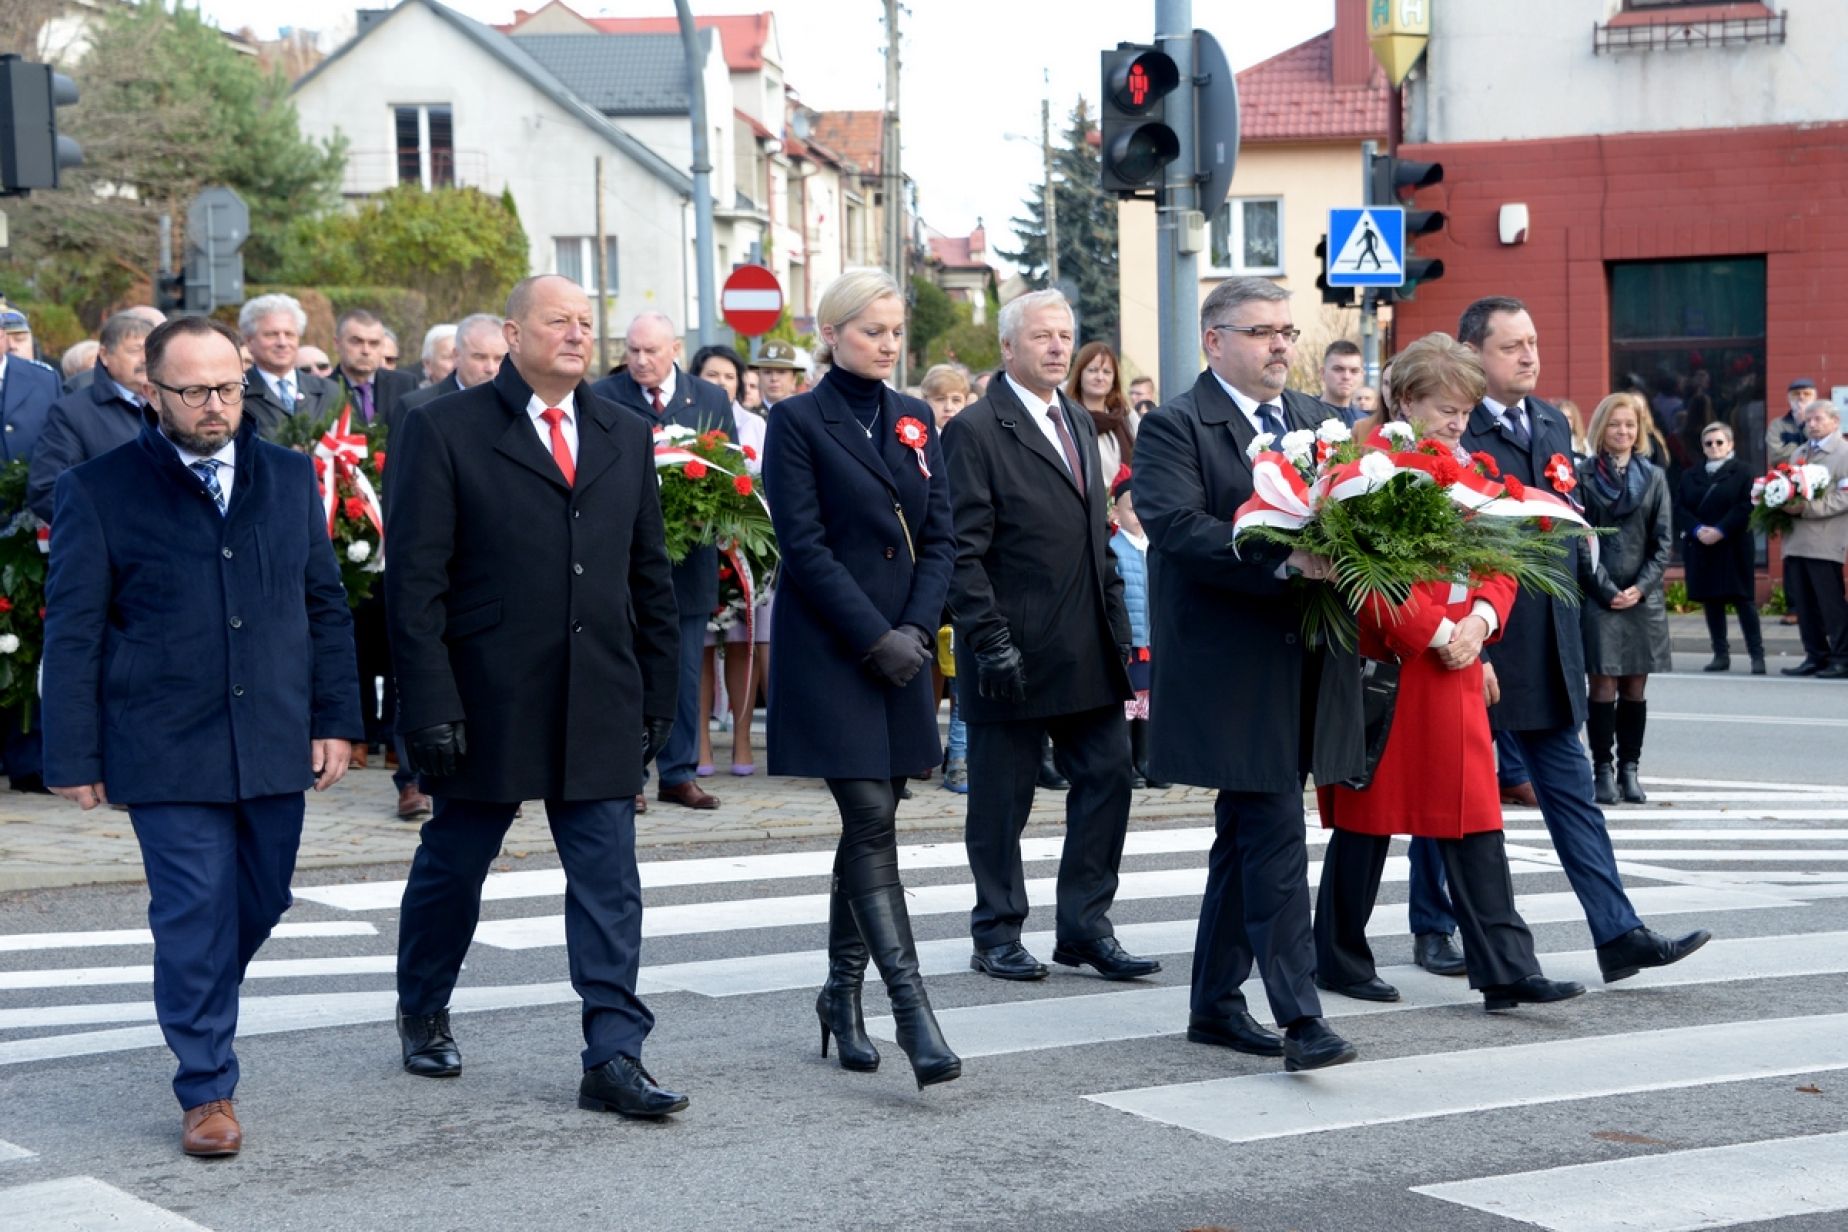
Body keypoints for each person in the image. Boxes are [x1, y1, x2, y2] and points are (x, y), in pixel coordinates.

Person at [43, 315, 362, 1156]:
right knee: (192, 912)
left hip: (271, 735)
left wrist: (337, 719)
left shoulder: (290, 477)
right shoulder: (98, 489)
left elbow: (323, 603)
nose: (216, 405)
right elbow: (72, 630)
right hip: (161, 742)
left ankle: (200, 1005)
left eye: (229, 387)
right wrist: (72, 754)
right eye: (194, 391)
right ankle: (206, 1088)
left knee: (258, 901)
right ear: (153, 392)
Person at [385, 274, 687, 1118]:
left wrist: (659, 693)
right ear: (512, 333)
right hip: (486, 694)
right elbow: (414, 584)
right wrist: (429, 704)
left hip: (598, 689)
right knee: (456, 861)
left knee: (608, 876)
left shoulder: (622, 431)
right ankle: (423, 1007)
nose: (578, 334)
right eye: (559, 320)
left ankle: (614, 1054)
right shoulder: (442, 427)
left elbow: (648, 573)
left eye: (588, 322)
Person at [1312, 333, 1584, 1012]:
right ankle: (1340, 958)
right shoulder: (1366, 467)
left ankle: (1506, 969)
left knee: (1475, 820)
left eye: (1466, 407)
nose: (1459, 421)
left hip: (1457, 661)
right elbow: (1364, 576)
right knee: (1367, 821)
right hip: (1395, 665)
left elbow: (1504, 561)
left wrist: (1482, 624)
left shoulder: (1474, 469)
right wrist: (1438, 631)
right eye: (1445, 407)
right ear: (1405, 399)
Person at [1132, 276, 1361, 1071]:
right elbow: (1177, 527)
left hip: (1305, 656)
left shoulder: (1316, 420)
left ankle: (1214, 1004)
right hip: (1232, 667)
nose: (1280, 346)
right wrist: (1284, 559)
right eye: (1262, 331)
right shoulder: (1175, 425)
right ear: (1215, 340)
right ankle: (1302, 1019)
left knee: (1243, 838)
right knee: (1273, 834)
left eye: (1287, 331)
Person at [1459, 295, 1709, 982]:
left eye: (1533, 342)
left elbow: (1569, 530)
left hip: (1549, 643)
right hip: (1478, 645)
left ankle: (1618, 932)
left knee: (1573, 799)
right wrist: (1471, 641)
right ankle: (1434, 925)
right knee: (1456, 801)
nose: (1530, 355)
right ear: (1476, 353)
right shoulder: (1454, 427)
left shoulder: (1547, 421)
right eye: (1513, 345)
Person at [763, 268, 961, 1088]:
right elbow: (802, 547)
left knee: (871, 824)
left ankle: (840, 995)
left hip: (904, 653)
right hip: (835, 652)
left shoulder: (913, 417)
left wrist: (915, 629)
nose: (887, 344)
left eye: (893, 331)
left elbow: (942, 534)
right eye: (871, 330)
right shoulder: (797, 419)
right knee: (871, 816)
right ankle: (914, 1015)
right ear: (832, 333)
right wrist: (876, 636)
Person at [945, 289, 1160, 985]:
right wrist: (988, 639)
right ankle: (997, 931)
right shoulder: (977, 429)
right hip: (1009, 648)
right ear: (1008, 347)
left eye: (1065, 334)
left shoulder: (1076, 417)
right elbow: (961, 550)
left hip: (1084, 645)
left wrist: (1120, 625)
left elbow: (1096, 536)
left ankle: (1085, 927)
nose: (1058, 347)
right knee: (1002, 800)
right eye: (1042, 335)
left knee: (1107, 777)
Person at [591, 313, 732, 811]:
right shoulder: (604, 395)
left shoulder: (709, 398)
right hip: (624, 562)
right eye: (632, 351)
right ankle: (627, 774)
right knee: (624, 668)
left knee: (684, 669)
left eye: (650, 351)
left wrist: (704, 511)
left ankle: (678, 773)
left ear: (674, 347)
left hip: (688, 561)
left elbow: (728, 470)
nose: (640, 361)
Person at [1578, 392, 1674, 805]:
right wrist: (1605, 588)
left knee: (1635, 687)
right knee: (1602, 685)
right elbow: (1578, 539)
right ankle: (1602, 770)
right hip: (1599, 595)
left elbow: (1663, 541)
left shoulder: (1653, 477)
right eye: (1616, 424)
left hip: (1642, 598)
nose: (1623, 431)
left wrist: (1641, 587)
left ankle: (1630, 770)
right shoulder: (1581, 475)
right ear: (1602, 428)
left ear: (1639, 431)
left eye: (1630, 425)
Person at [690, 343, 769, 777]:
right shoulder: (685, 423)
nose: (720, 384)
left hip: (748, 551)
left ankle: (741, 741)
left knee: (743, 646)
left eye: (728, 376)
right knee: (700, 650)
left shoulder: (755, 426)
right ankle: (700, 742)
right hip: (699, 548)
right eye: (711, 375)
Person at [28, 312, 157, 522]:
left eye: (151, 350)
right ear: (105, 355)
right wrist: (107, 528)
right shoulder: (72, 413)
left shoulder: (173, 404)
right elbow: (47, 491)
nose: (145, 358)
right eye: (135, 350)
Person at [920, 363, 972, 793]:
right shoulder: (918, 441)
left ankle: (958, 752)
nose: (949, 407)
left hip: (961, 559)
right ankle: (922, 745)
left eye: (957, 399)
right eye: (941, 400)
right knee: (927, 658)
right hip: (925, 559)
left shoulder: (969, 439)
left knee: (955, 658)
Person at [1678, 421, 1763, 675]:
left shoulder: (1745, 472)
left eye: (1719, 442)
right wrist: (1697, 530)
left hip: (1734, 545)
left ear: (1730, 445)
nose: (1714, 447)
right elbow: (1680, 508)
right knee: (1712, 602)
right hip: (1702, 546)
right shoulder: (1690, 475)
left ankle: (1756, 655)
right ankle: (1720, 654)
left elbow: (1745, 506)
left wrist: (1721, 530)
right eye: (1709, 443)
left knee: (1744, 602)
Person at [1779, 402, 1848, 678]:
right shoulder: (1800, 452)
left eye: (1818, 419)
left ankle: (1842, 658)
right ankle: (1815, 655)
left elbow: (1844, 496)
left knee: (1830, 603)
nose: (1811, 424)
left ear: (1835, 420)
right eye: (1808, 421)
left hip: (1825, 540)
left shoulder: (1843, 453)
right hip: (1796, 540)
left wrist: (1807, 509)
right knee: (1804, 604)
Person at [1107, 472, 1166, 789]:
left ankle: (1147, 759)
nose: (1139, 516)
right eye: (1131, 509)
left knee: (1148, 703)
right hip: (1128, 642)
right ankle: (1126, 762)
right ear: (1115, 512)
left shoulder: (1155, 547)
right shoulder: (1113, 548)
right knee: (1127, 705)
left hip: (1152, 639)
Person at [238, 294, 341, 438]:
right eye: (271, 335)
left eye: (289, 334)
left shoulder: (329, 391)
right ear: (249, 341)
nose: (282, 343)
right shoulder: (235, 394)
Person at [332, 309, 419, 435]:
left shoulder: (405, 384)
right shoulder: (324, 391)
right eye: (356, 341)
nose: (366, 350)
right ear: (337, 344)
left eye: (374, 343)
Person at [1065, 340, 1137, 480]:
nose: (1100, 377)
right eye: (1092, 370)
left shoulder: (1127, 417)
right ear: (1079, 375)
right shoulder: (1066, 417)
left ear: (1114, 379)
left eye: (1106, 372)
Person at [1767, 378, 1817, 467]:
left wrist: (1806, 422)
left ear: (1815, 398)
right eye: (1796, 394)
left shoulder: (1823, 423)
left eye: (1807, 394)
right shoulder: (1777, 425)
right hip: (1786, 476)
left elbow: (1822, 453)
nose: (1801, 397)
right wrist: (1805, 450)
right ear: (1788, 398)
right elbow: (1774, 458)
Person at [750, 339, 806, 413]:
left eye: (781, 372)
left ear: (794, 379)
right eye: (767, 372)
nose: (774, 378)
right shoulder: (749, 420)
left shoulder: (807, 414)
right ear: (759, 377)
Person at [1319, 339, 1365, 425]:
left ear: (1361, 375)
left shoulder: (1366, 424)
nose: (1346, 377)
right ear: (1323, 373)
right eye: (1338, 369)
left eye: (1354, 371)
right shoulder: (1303, 417)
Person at [419, 323, 457, 387]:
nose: (457, 364)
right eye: (448, 357)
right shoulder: (417, 396)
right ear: (428, 364)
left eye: (460, 356)